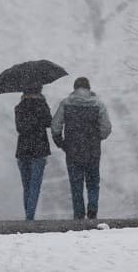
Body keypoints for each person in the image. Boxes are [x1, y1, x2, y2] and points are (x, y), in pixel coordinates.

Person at [51, 77, 112, 219]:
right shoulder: (99, 104)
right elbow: (106, 128)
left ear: (74, 88)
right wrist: (97, 138)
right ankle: (92, 210)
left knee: (76, 184)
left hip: (73, 150)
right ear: (89, 88)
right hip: (93, 150)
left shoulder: (66, 103)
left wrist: (60, 142)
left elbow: (55, 126)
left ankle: (79, 215)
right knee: (93, 182)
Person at [14, 83, 52, 220]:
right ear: (40, 89)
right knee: (35, 185)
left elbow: (19, 128)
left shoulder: (19, 107)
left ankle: (28, 216)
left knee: (27, 186)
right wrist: (41, 110)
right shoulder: (42, 105)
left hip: (23, 149)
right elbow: (49, 122)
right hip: (39, 148)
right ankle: (30, 217)